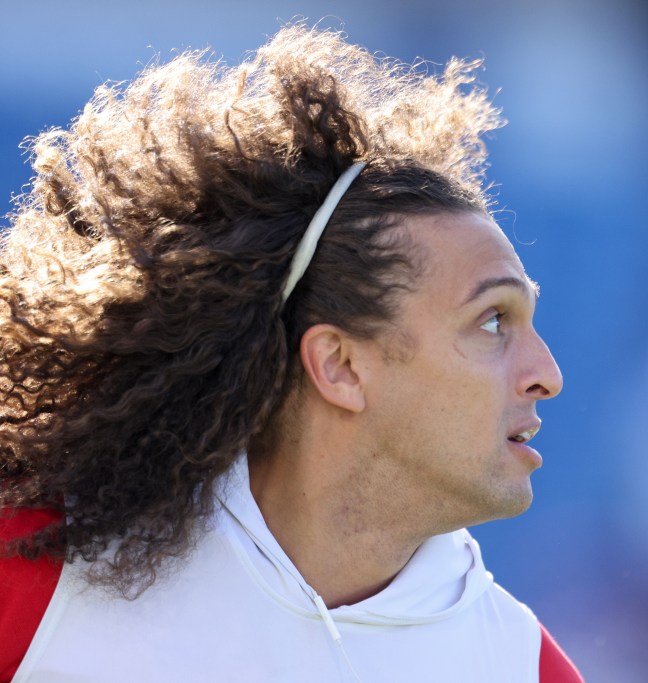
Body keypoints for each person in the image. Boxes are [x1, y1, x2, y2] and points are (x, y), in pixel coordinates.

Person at [0, 24, 582, 682]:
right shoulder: (44, 566)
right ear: (340, 365)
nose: (547, 375)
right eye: (491, 320)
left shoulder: (521, 667)